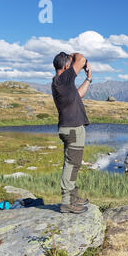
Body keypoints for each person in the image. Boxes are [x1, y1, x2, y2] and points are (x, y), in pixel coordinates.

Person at [51, 52, 92, 214]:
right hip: (72, 128)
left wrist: (88, 79)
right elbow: (81, 59)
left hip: (71, 127)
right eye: (70, 63)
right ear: (67, 66)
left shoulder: (62, 83)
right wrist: (73, 54)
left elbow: (79, 95)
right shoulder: (62, 79)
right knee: (72, 164)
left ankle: (73, 198)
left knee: (74, 163)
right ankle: (67, 202)